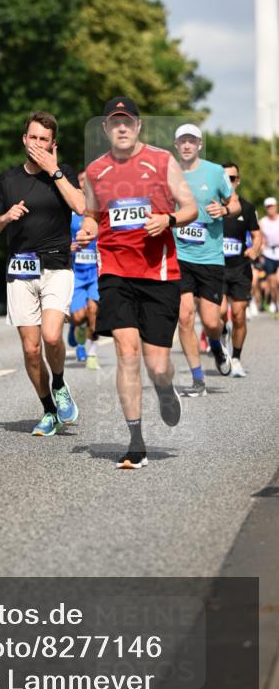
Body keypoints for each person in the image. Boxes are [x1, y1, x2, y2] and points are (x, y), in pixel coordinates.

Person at [77, 97, 198, 470]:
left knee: (157, 365)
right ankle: (135, 442)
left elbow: (190, 207)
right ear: (105, 129)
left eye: (128, 121)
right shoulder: (96, 170)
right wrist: (86, 229)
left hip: (158, 273)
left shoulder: (162, 161)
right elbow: (92, 215)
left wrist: (169, 220)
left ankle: (165, 388)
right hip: (115, 272)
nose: (122, 128)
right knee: (126, 352)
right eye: (115, 122)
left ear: (138, 126)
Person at [0, 111, 83, 435]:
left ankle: (60, 383)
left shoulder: (63, 173)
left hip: (57, 266)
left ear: (53, 144)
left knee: (52, 336)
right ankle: (49, 410)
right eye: (33, 137)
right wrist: (5, 217)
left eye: (44, 139)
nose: (38, 144)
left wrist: (55, 171)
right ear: (24, 139)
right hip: (20, 269)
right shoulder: (7, 181)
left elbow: (81, 206)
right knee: (30, 349)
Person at [173, 125, 240, 395]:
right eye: (183, 141)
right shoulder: (169, 173)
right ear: (176, 145)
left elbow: (235, 204)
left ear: (199, 144)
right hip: (180, 255)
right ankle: (198, 380)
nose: (187, 145)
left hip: (210, 256)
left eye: (192, 141)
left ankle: (217, 342)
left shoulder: (214, 172)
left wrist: (224, 209)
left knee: (211, 322)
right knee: (185, 317)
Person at [220, 162, 262, 377]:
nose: (229, 182)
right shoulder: (212, 206)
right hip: (216, 268)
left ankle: (235, 358)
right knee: (218, 314)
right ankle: (222, 332)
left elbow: (257, 235)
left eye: (233, 178)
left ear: (238, 181)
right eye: (225, 178)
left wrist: (254, 249)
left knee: (238, 315)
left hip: (239, 268)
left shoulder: (247, 207)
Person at [69, 170, 101, 369]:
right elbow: (58, 235)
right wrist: (68, 246)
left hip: (96, 271)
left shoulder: (101, 206)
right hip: (76, 271)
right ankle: (76, 328)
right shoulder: (70, 209)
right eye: (82, 180)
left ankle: (92, 352)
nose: (85, 183)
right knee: (79, 316)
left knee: (94, 311)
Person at [259, 196, 279, 315]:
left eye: (272, 206)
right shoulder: (262, 222)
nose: (270, 209)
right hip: (268, 254)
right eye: (268, 207)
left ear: (276, 207)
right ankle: (274, 302)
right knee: (272, 284)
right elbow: (260, 238)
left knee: (278, 280)